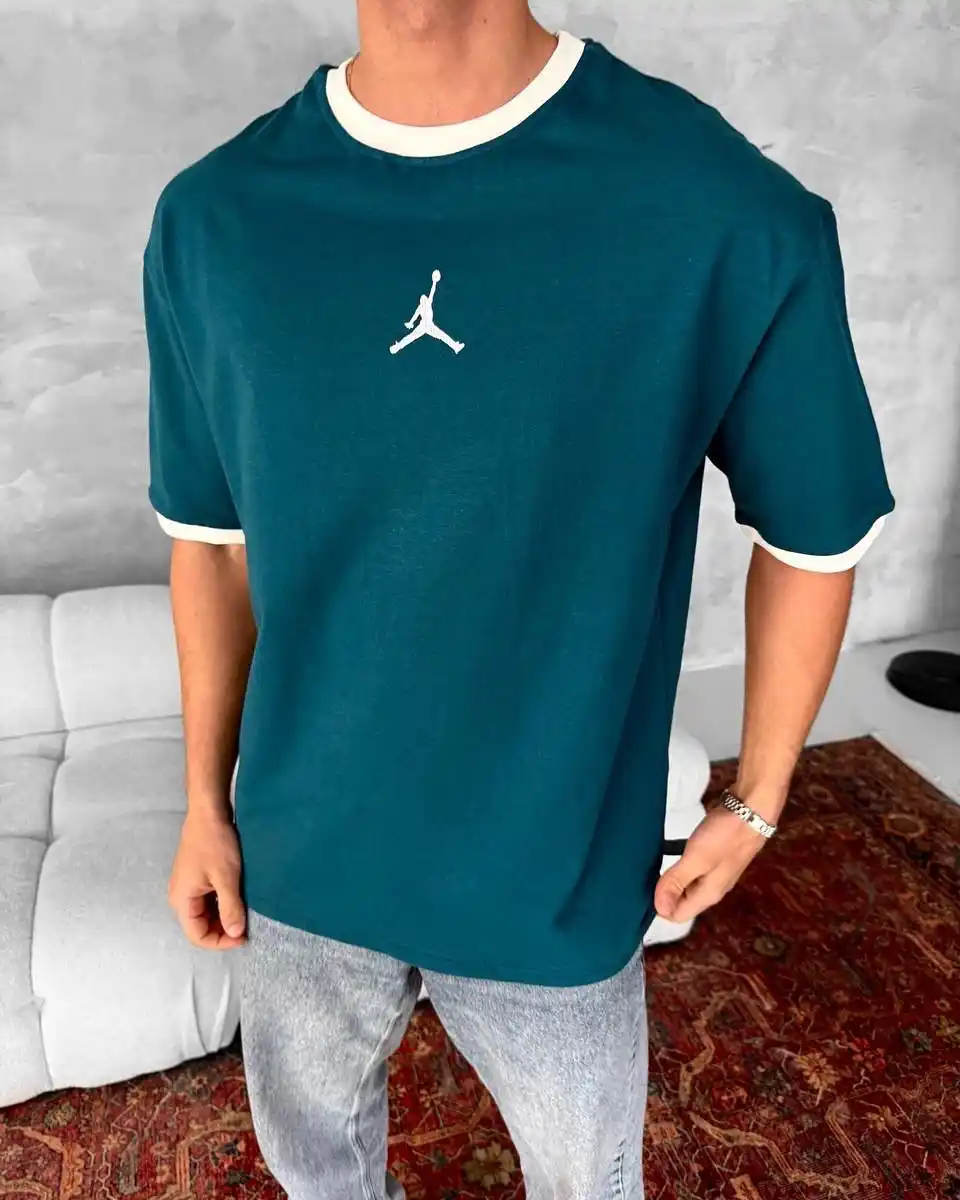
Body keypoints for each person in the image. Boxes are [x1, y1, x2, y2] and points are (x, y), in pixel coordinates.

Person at [144, 3, 895, 1196]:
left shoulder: (715, 208)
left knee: (587, 1180)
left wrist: (757, 799)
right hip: (300, 855)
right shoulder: (214, 219)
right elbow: (215, 545)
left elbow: (815, 531)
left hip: (553, 873)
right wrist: (203, 801)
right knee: (313, 1163)